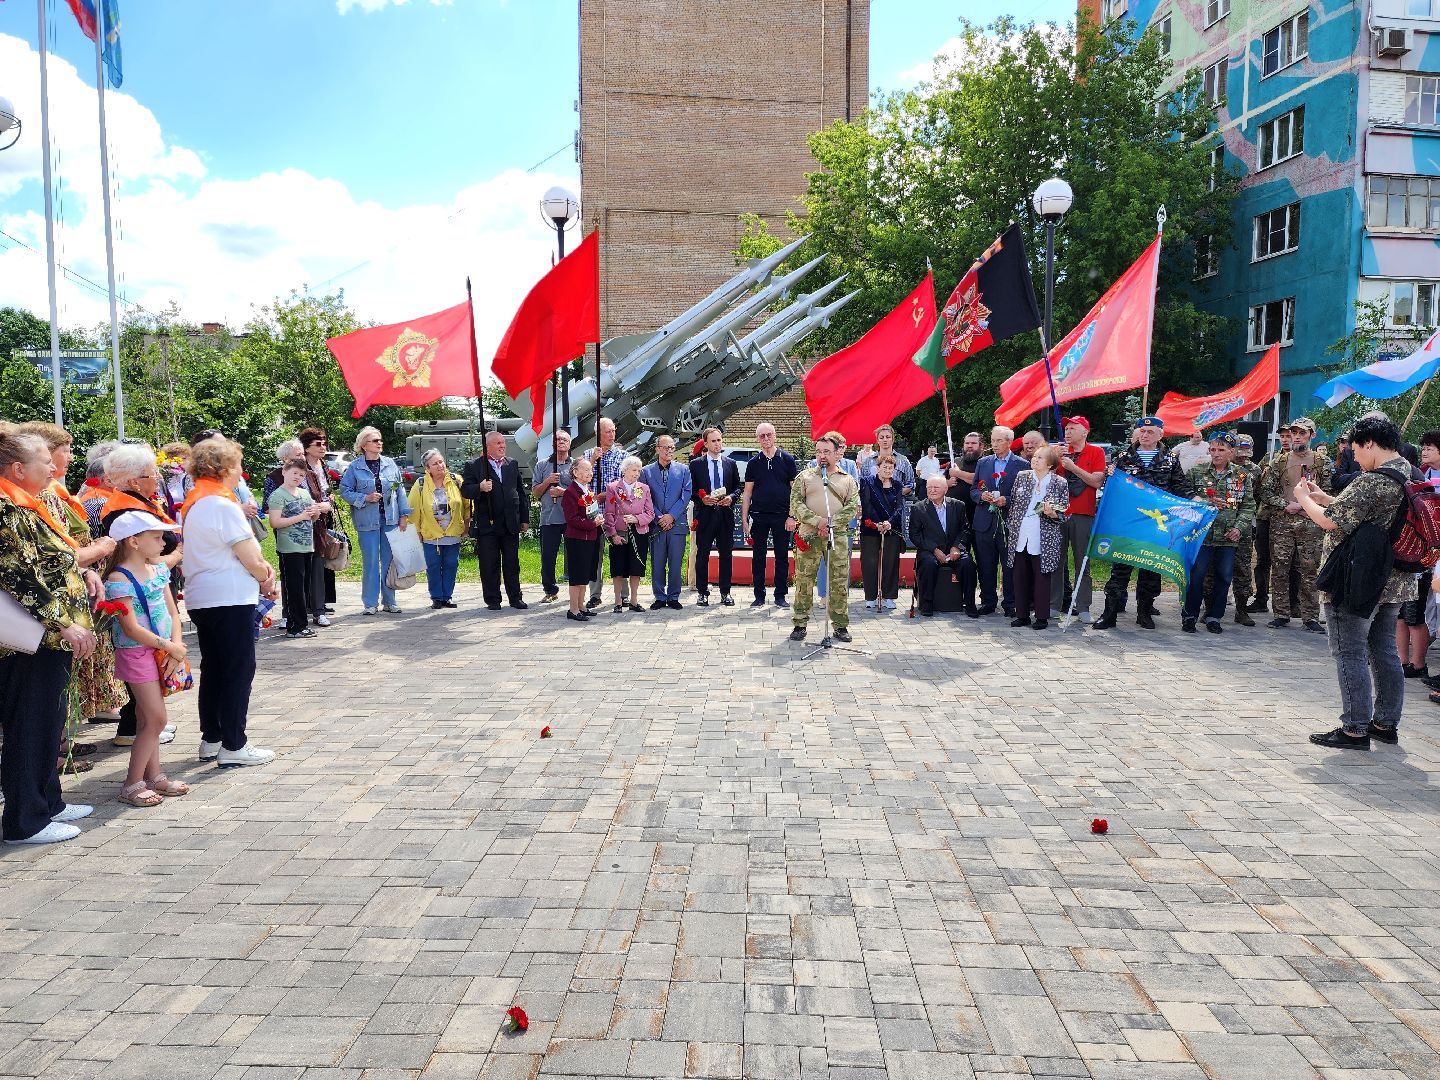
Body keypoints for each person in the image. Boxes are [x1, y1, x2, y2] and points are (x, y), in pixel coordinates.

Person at [1293, 416, 1415, 750]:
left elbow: (1331, 524)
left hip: (1358, 580)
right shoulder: (1409, 471)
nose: (1353, 456)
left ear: (1370, 443)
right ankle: (1385, 722)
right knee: (1385, 650)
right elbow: (1369, 514)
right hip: (1396, 581)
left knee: (1350, 651)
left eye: (1355, 448)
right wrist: (1325, 497)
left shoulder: (1373, 481)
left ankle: (1354, 729)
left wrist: (1303, 498)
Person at [0, 428, 98, 844]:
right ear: (18, 468)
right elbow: (20, 575)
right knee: (30, 727)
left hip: (46, 638)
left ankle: (48, 802)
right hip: (31, 639)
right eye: (45, 460)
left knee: (47, 722)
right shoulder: (7, 508)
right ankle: (25, 821)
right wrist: (61, 621)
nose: (53, 466)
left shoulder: (27, 502)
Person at [15, 422, 124, 756]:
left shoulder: (48, 493)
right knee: (37, 706)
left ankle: (53, 754)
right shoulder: (22, 503)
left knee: (51, 699)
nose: (63, 460)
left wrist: (87, 568)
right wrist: (97, 553)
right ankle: (52, 758)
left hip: (64, 602)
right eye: (60, 452)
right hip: (45, 616)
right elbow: (34, 568)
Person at [180, 437, 277, 767]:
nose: (240, 472)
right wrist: (266, 574)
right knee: (238, 670)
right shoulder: (222, 505)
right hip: (229, 597)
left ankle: (213, 737)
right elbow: (249, 555)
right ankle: (234, 744)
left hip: (203, 596)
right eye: (236, 466)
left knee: (216, 670)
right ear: (222, 469)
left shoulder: (196, 501)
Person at [103, 510, 191, 806]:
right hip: (136, 653)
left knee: (146, 718)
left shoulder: (157, 570)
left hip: (162, 650)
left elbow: (173, 613)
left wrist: (175, 647)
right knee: (156, 718)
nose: (163, 541)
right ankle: (132, 783)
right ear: (134, 542)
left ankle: (154, 776)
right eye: (155, 537)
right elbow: (130, 627)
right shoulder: (118, 579)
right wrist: (168, 645)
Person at [1093, 416, 1193, 630]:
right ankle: (1109, 614)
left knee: (1150, 570)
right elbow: (1110, 487)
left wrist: (1198, 502)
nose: (1145, 435)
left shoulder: (1170, 459)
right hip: (1128, 524)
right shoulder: (1123, 457)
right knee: (1120, 570)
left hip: (1155, 525)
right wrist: (1108, 475)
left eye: (1150, 432)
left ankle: (1145, 613)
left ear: (1160, 434)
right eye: (1142, 431)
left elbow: (1181, 487)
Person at [1182, 432, 1256, 634]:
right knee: (1197, 576)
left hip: (1228, 537)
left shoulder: (1242, 475)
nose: (1216, 454)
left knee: (1224, 577)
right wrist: (1206, 502)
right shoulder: (1196, 472)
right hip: (1202, 536)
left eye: (1221, 450)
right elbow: (1185, 498)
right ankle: (1189, 616)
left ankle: (1215, 617)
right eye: (1213, 449)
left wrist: (1238, 528)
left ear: (1231, 452)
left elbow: (1248, 505)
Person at [788, 432, 859, 642]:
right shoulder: (805, 477)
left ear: (837, 453)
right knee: (804, 580)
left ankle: (839, 625)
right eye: (819, 451)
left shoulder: (847, 480)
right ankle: (800, 623)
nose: (822, 456)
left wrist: (831, 523)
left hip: (836, 536)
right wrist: (816, 521)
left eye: (826, 452)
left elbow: (852, 507)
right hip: (809, 535)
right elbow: (796, 503)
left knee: (838, 581)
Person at [1262, 418, 1331, 633]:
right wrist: (1287, 504)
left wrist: (1308, 507)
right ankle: (1281, 614)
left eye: (1302, 432)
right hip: (1283, 523)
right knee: (1280, 569)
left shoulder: (1322, 462)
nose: (1297, 436)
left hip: (1311, 523)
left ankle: (1309, 616)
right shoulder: (1279, 462)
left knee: (1310, 570)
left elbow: (1329, 492)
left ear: (1312, 435)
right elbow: (1265, 492)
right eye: (1294, 432)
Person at [339, 427, 413, 615]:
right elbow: (345, 491)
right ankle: (370, 603)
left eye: (380, 440)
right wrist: (365, 498)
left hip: (390, 520)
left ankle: (390, 601)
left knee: (389, 562)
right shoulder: (355, 467)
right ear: (364, 445)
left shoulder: (390, 464)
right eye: (374, 440)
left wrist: (403, 516)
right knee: (371, 561)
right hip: (367, 522)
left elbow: (400, 491)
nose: (379, 443)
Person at [461, 430, 528, 611]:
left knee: (512, 563)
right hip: (488, 523)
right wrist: (480, 487)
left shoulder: (511, 464)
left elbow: (520, 493)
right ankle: (493, 599)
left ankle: (515, 598)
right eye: (498, 443)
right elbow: (465, 490)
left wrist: (524, 518)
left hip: (510, 523)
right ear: (487, 446)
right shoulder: (475, 465)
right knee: (489, 564)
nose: (502, 446)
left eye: (503, 443)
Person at [1005, 445, 1070, 629]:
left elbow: (1064, 510)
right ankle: (1022, 615)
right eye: (1034, 457)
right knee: (1019, 575)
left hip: (1044, 534)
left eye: (1040, 457)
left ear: (1050, 464)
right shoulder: (1022, 476)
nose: (1035, 459)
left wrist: (1053, 513)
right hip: (1021, 532)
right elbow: (1015, 504)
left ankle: (1041, 617)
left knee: (1042, 577)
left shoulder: (1059, 483)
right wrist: (1012, 526)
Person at [971, 425, 1029, 617]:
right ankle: (988, 601)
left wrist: (1008, 500)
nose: (994, 444)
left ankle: (1010, 603)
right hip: (984, 522)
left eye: (999, 441)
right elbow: (973, 491)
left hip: (1009, 522)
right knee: (986, 564)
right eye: (993, 440)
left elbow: (1026, 496)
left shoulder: (1022, 465)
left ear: (1009, 442)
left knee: (1010, 565)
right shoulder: (984, 462)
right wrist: (982, 496)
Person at [1051, 416, 1106, 622]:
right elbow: (1045, 478)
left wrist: (1072, 467)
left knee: (1083, 561)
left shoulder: (1096, 452)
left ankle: (1083, 606)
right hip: (1058, 513)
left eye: (1073, 428)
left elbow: (1096, 481)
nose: (1067, 432)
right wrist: (1054, 459)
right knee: (1056, 561)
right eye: (1066, 428)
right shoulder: (1059, 452)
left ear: (1085, 432)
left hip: (1083, 513)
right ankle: (1053, 604)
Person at [1396, 429, 1440, 676]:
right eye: (1423, 448)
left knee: (1420, 611)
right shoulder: (1421, 475)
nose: (1424, 452)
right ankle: (1402, 661)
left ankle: (1419, 663)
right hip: (1418, 550)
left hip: (1436, 552)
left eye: (1430, 448)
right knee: (1403, 611)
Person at [267, 459, 328, 637]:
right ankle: (295, 627)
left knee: (304, 587)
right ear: (284, 472)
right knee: (294, 589)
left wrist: (315, 513)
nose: (298, 477)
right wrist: (301, 516)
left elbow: (312, 518)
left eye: (301, 475)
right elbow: (275, 522)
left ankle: (302, 624)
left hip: (306, 546)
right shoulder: (278, 495)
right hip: (289, 548)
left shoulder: (303, 493)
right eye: (294, 473)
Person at [741, 422, 799, 608]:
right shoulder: (753, 463)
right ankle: (759, 595)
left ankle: (780, 595)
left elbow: (795, 491)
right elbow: (748, 493)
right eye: (762, 436)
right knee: (758, 557)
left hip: (782, 516)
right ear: (757, 439)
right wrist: (744, 519)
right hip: (759, 516)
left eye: (769, 435)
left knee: (782, 556)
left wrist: (792, 516)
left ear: (775, 436)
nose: (766, 439)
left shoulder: (788, 460)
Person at [410, 449, 469, 609]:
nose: (440, 465)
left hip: (453, 531)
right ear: (427, 468)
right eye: (435, 463)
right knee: (433, 565)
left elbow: (467, 504)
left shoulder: (456, 480)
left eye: (441, 461)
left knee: (451, 564)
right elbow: (413, 509)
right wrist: (417, 532)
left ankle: (447, 597)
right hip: (430, 533)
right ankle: (436, 597)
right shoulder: (421, 484)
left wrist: (467, 524)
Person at [909, 474, 972, 618]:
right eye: (929, 487)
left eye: (935, 487)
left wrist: (957, 547)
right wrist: (934, 549)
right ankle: (927, 603)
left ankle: (969, 603)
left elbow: (965, 530)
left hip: (953, 549)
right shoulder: (919, 508)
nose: (931, 490)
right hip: (930, 550)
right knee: (928, 564)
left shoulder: (958, 505)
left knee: (967, 564)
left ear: (945, 489)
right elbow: (915, 535)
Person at [690, 427, 740, 607]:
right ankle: (702, 592)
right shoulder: (696, 465)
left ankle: (725, 592)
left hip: (725, 515)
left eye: (719, 440)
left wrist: (731, 498)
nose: (717, 444)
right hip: (705, 515)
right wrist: (702, 498)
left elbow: (737, 488)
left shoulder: (730, 463)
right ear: (706, 443)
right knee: (702, 555)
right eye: (713, 441)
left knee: (726, 554)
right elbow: (691, 491)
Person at [640, 435, 690, 610]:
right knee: (658, 562)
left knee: (676, 563)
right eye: (666, 447)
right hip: (656, 525)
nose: (669, 450)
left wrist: (672, 516)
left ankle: (674, 596)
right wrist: (659, 517)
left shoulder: (684, 470)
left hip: (677, 525)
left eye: (672, 447)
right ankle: (660, 596)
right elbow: (645, 498)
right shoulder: (645, 472)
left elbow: (686, 495)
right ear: (657, 449)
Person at [585, 418, 629, 608]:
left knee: (620, 554)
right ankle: (595, 594)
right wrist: (593, 460)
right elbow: (579, 479)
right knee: (595, 557)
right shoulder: (588, 454)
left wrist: (608, 494)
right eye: (607, 432)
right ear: (597, 434)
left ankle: (624, 594)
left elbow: (627, 485)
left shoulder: (622, 456)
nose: (611, 435)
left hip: (615, 515)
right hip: (594, 515)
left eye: (613, 431)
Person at [603, 456, 655, 612]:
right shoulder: (613, 488)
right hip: (620, 533)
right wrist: (612, 534)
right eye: (634, 470)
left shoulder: (644, 488)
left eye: (639, 470)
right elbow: (609, 513)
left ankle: (634, 600)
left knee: (636, 567)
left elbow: (650, 513)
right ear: (624, 470)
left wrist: (637, 518)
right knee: (618, 567)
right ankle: (618, 601)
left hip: (639, 533)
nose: (637, 473)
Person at [531, 430, 574, 603]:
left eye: (565, 439)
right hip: (549, 517)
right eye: (558, 439)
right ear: (552, 444)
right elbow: (535, 492)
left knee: (574, 555)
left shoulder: (576, 465)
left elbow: (583, 492)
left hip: (571, 518)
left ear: (570, 444)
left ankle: (576, 589)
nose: (561, 442)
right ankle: (550, 590)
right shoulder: (542, 465)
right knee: (548, 556)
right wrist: (548, 482)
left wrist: (564, 492)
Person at [298, 428, 336, 623]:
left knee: (323, 559)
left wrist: (329, 500)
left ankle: (321, 602)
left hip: (324, 516)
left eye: (324, 442)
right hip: (307, 517)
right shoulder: (301, 466)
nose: (323, 447)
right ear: (306, 447)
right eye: (318, 444)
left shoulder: (324, 464)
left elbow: (327, 488)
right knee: (309, 562)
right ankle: (309, 605)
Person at [859, 454, 905, 611]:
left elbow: (900, 507)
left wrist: (889, 522)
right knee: (869, 562)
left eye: (890, 468)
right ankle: (870, 596)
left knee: (891, 562)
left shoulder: (898, 485)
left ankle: (889, 596)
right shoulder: (867, 482)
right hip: (870, 527)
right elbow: (866, 504)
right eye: (884, 467)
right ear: (878, 468)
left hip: (891, 528)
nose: (887, 470)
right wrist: (878, 522)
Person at [560, 457, 603, 621]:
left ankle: (581, 605)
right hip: (577, 538)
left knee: (585, 572)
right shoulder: (571, 492)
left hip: (590, 537)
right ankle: (573, 609)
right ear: (575, 472)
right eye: (585, 470)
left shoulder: (587, 490)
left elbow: (589, 512)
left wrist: (597, 518)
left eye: (590, 470)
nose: (589, 473)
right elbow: (572, 519)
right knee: (577, 574)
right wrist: (593, 523)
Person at [1230, 434, 1262, 625]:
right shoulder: (1217, 467)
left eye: (1246, 454)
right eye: (1239, 454)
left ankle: (1241, 609)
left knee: (1242, 567)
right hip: (1219, 526)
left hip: (1243, 526)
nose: (1243, 458)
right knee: (1212, 569)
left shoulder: (1255, 470)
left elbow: (1256, 497)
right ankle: (1210, 607)